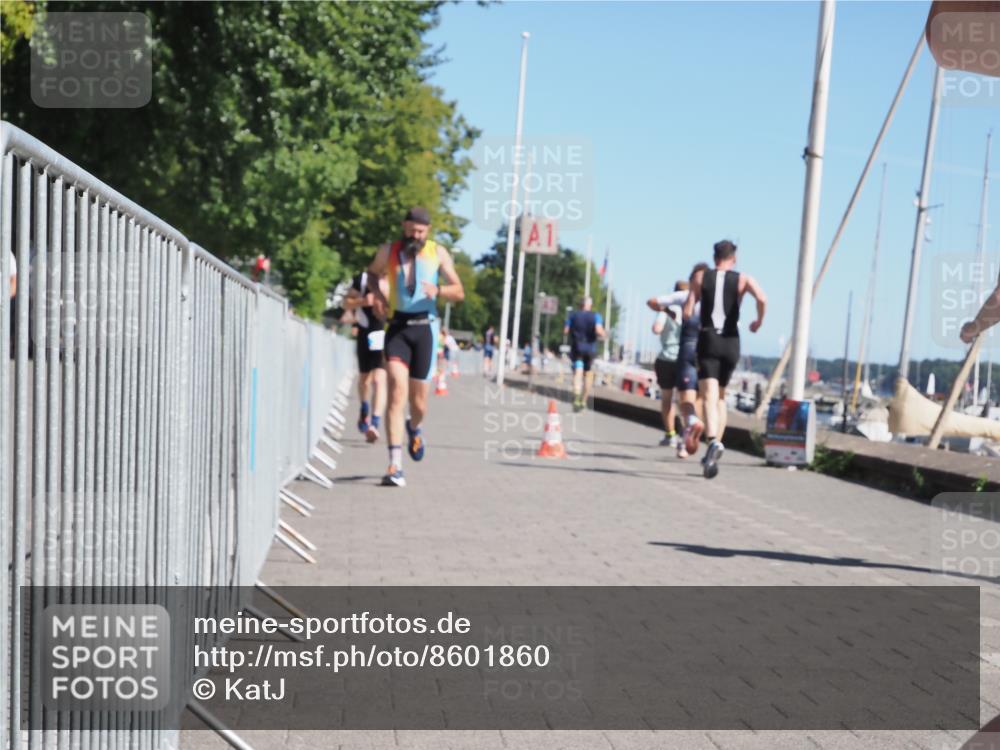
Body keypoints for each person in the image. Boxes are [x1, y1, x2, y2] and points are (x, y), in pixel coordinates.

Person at [367, 207, 464, 488]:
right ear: (404, 227)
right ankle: (395, 464)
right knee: (397, 391)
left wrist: (440, 291)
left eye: (420, 232)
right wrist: (376, 295)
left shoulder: (438, 252)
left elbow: (459, 290)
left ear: (428, 231)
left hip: (425, 328)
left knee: (419, 402)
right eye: (411, 230)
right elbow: (371, 274)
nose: (415, 236)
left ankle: (414, 426)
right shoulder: (389, 250)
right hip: (397, 326)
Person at [684, 241, 766, 478]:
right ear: (734, 258)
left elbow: (689, 310)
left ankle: (711, 442)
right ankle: (717, 443)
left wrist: (693, 306)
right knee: (720, 396)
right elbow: (762, 299)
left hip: (708, 338)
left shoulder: (700, 277)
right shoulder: (743, 280)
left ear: (714, 257)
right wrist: (758, 321)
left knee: (708, 395)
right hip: (731, 342)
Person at [343, 269, 387, 443]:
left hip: (385, 334)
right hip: (365, 331)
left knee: (379, 380)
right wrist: (362, 301)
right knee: (365, 380)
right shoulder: (362, 279)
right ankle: (364, 408)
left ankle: (374, 423)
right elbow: (345, 303)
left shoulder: (398, 278)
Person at [647, 281, 687, 449]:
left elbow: (656, 329)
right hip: (684, 359)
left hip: (666, 358)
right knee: (685, 399)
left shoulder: (666, 311)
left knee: (667, 398)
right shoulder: (691, 310)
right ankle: (686, 434)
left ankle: (670, 434)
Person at [563, 296, 606, 412]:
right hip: (590, 348)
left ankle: (576, 393)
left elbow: (566, 331)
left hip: (577, 347)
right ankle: (583, 400)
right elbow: (598, 330)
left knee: (578, 371)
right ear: (589, 305)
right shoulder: (596, 316)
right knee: (588, 374)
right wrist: (605, 334)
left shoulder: (572, 315)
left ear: (580, 305)